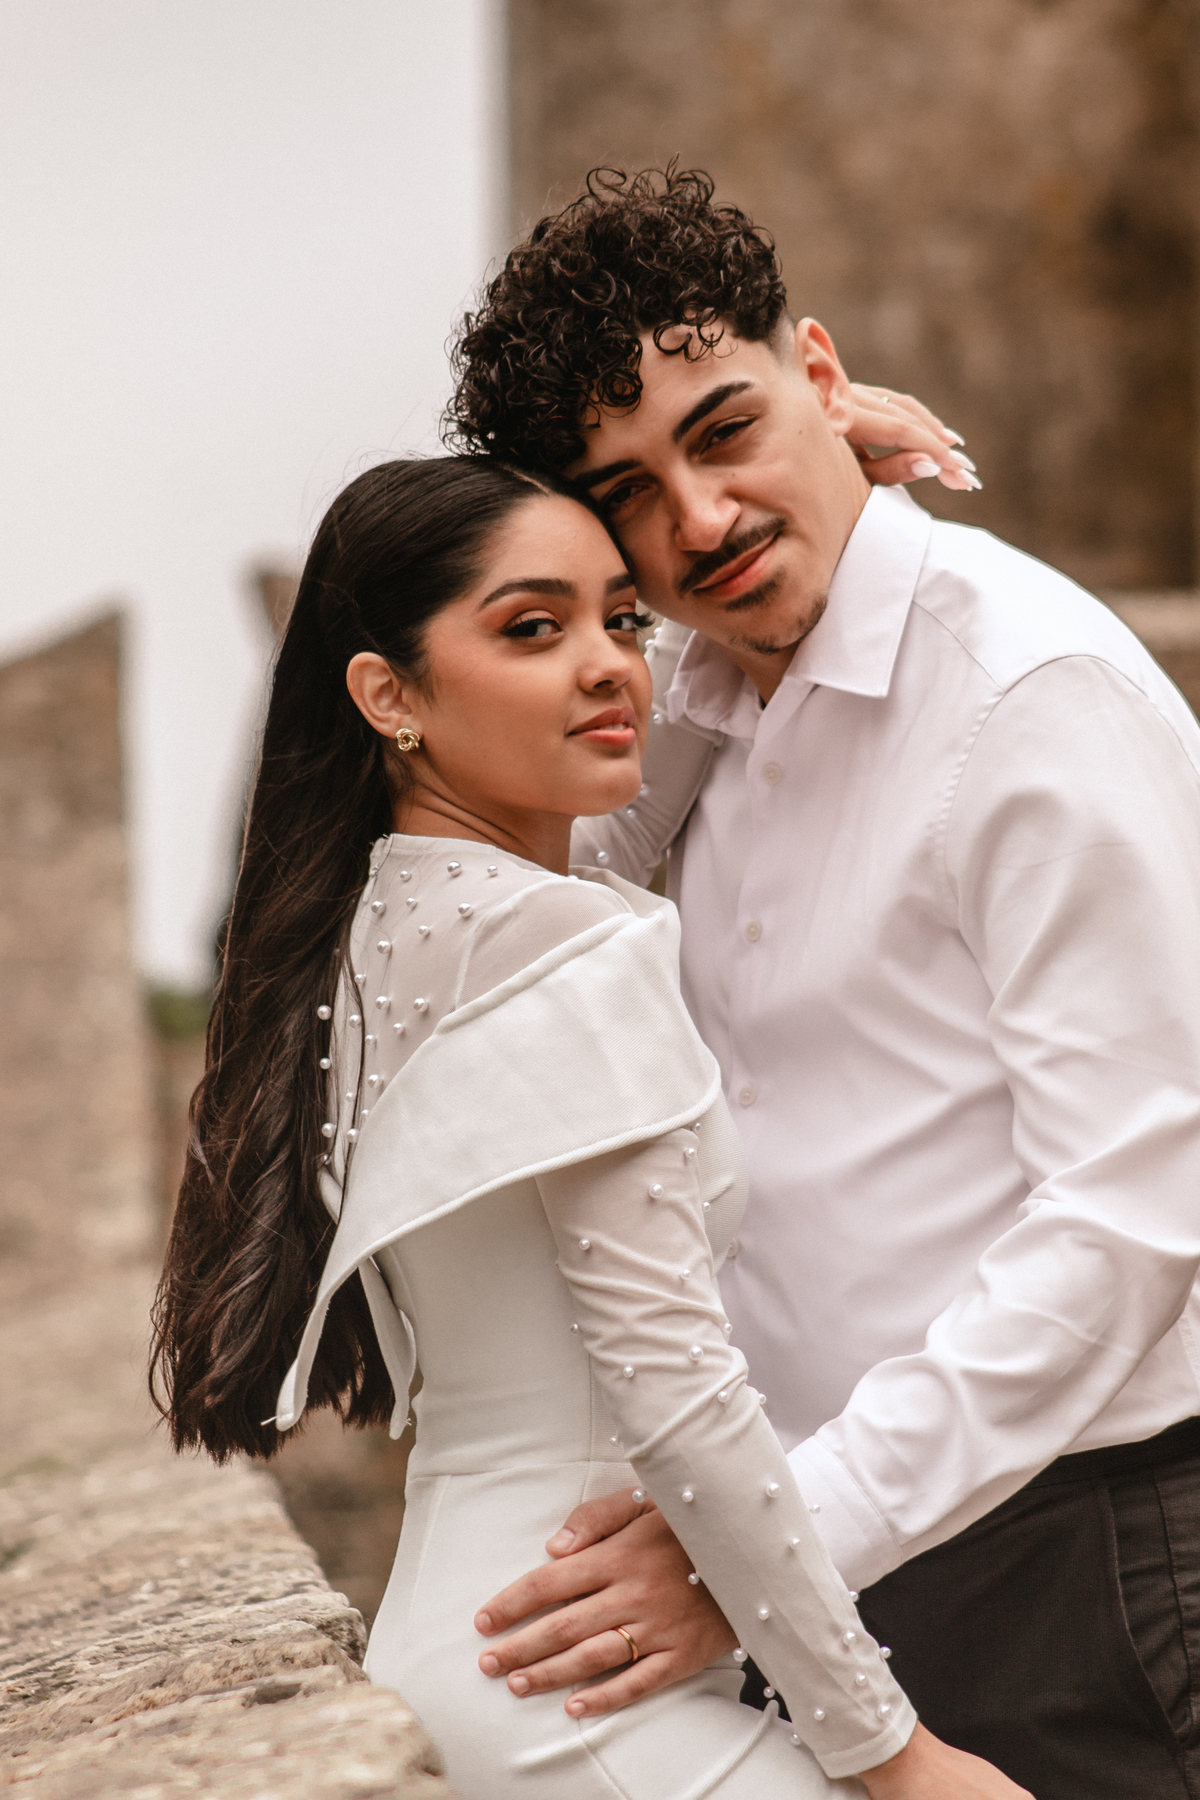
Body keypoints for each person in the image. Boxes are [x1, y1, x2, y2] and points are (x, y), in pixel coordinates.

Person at [445, 167, 1200, 1798]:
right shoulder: (699, 708)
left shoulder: (1030, 694)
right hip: (837, 1574)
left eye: (728, 430)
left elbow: (1133, 1215)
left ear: (826, 373)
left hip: (1088, 1563)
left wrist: (768, 1543)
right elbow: (487, 883)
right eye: (629, 497)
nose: (702, 522)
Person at [150, 457, 1028, 1799]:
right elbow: (678, 1388)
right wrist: (893, 1754)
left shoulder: (376, 935)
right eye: (531, 627)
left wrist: (818, 465)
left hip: (468, 1650)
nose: (614, 665)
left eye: (624, 617)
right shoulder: (560, 944)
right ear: (387, 694)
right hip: (577, 1691)